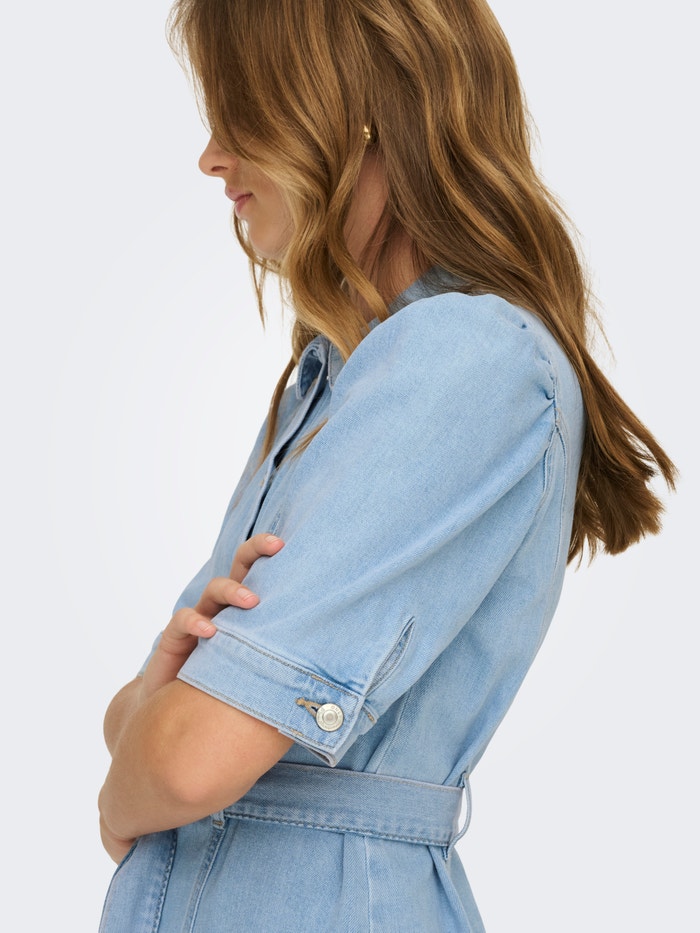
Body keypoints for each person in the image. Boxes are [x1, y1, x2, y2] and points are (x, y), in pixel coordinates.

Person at [97, 1, 676, 930]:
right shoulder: (333, 375)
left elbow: (184, 756)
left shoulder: (463, 357)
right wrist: (145, 733)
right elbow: (149, 727)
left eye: (241, 111)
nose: (211, 156)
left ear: (350, 110)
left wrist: (130, 775)